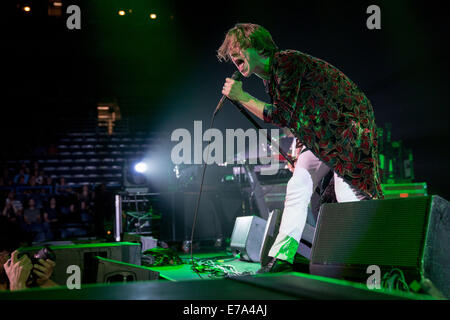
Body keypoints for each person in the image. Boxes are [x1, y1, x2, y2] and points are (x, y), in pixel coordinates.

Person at [218, 23, 383, 272]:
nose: (233, 55)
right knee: (297, 184)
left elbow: (282, 114)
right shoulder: (271, 79)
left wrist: (242, 97)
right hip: (322, 135)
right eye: (230, 52)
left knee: (346, 191)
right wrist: (298, 148)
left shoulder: (286, 62)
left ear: (258, 46)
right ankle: (282, 258)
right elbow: (301, 115)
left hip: (347, 128)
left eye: (237, 48)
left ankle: (371, 256)